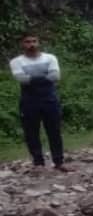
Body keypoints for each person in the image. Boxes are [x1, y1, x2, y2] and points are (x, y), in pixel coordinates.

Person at [9, 33, 66, 170]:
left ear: (39, 42)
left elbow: (56, 76)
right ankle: (38, 163)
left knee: (54, 131)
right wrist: (45, 77)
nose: (32, 44)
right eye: (28, 42)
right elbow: (21, 79)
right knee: (31, 132)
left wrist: (31, 79)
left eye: (34, 41)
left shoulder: (50, 58)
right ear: (22, 44)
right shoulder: (16, 61)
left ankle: (59, 162)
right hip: (29, 100)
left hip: (49, 99)